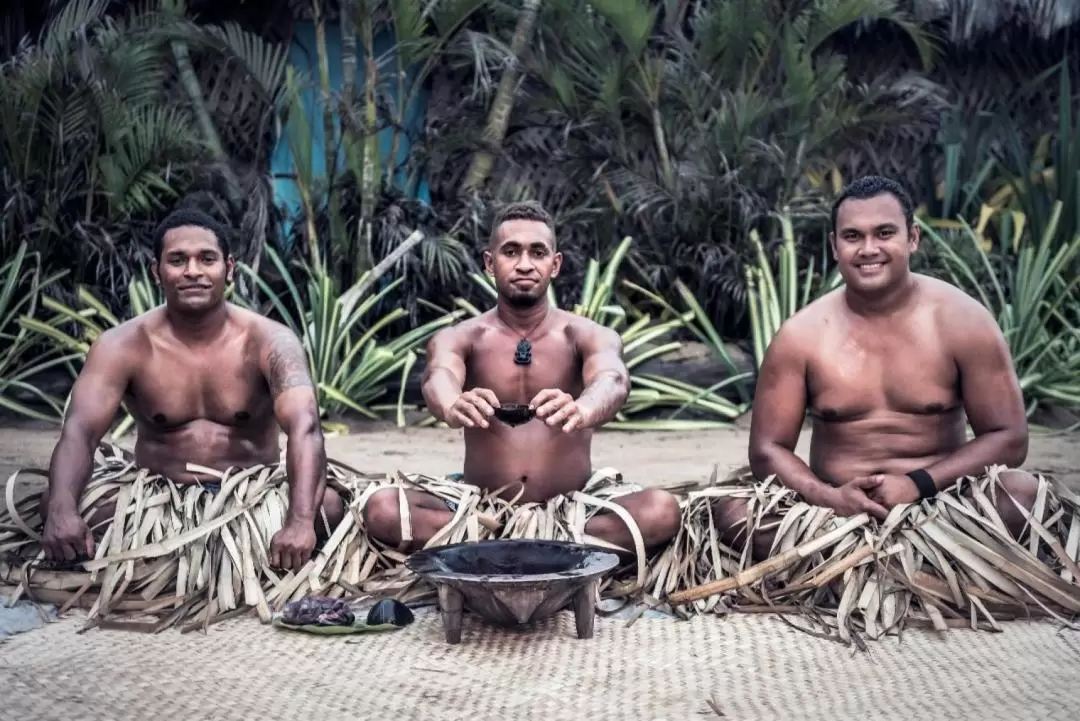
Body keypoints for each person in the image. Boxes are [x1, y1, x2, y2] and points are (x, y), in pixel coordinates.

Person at [714, 175, 1039, 560]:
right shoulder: (801, 335)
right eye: (853, 236)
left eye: (884, 233)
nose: (869, 249)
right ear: (835, 246)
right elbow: (767, 449)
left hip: (946, 504)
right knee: (734, 511)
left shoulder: (963, 321)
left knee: (1022, 493)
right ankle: (867, 571)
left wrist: (917, 484)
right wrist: (829, 497)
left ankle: (904, 571)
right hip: (831, 515)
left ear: (912, 238)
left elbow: (1010, 438)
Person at [361, 201, 682, 554]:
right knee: (382, 509)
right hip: (481, 512)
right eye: (511, 252)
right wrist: (453, 405)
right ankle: (528, 548)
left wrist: (583, 408)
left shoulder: (587, 334)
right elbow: (438, 376)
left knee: (661, 512)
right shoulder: (463, 336)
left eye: (537, 252)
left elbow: (613, 379)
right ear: (489, 263)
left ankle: (516, 548)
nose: (525, 264)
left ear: (554, 264)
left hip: (573, 512)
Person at [38, 208, 343, 572]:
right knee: (55, 504)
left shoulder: (271, 341)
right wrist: (61, 509)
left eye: (207, 259)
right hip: (157, 500)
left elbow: (305, 428)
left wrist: (299, 521)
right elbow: (79, 433)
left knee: (327, 508)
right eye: (177, 260)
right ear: (157, 272)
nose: (193, 271)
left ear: (229, 269)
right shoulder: (122, 345)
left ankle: (233, 552)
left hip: (253, 496)